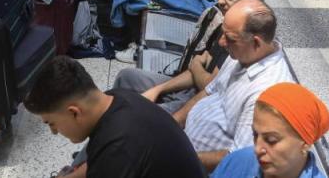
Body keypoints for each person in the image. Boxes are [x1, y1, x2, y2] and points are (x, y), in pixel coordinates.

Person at [116, 0, 262, 112]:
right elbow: (197, 70)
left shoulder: (248, 37)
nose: (220, 1)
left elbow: (209, 88)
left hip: (201, 103)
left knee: (134, 113)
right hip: (190, 87)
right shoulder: (227, 18)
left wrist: (196, 66)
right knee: (126, 77)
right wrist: (158, 89)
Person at [24, 56, 206, 178]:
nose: (54, 132)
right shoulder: (117, 97)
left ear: (74, 112)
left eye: (52, 123)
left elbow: (110, 160)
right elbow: (99, 161)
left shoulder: (118, 148)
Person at [176, 0, 294, 172]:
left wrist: (179, 159)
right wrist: (172, 123)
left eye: (229, 38)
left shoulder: (266, 93)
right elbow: (209, 91)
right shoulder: (241, 53)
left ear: (256, 43)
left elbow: (239, 157)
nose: (222, 42)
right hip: (183, 144)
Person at [211, 83, 329, 178]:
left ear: (305, 144)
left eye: (271, 140)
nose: (257, 149)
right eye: (255, 135)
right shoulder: (238, 161)